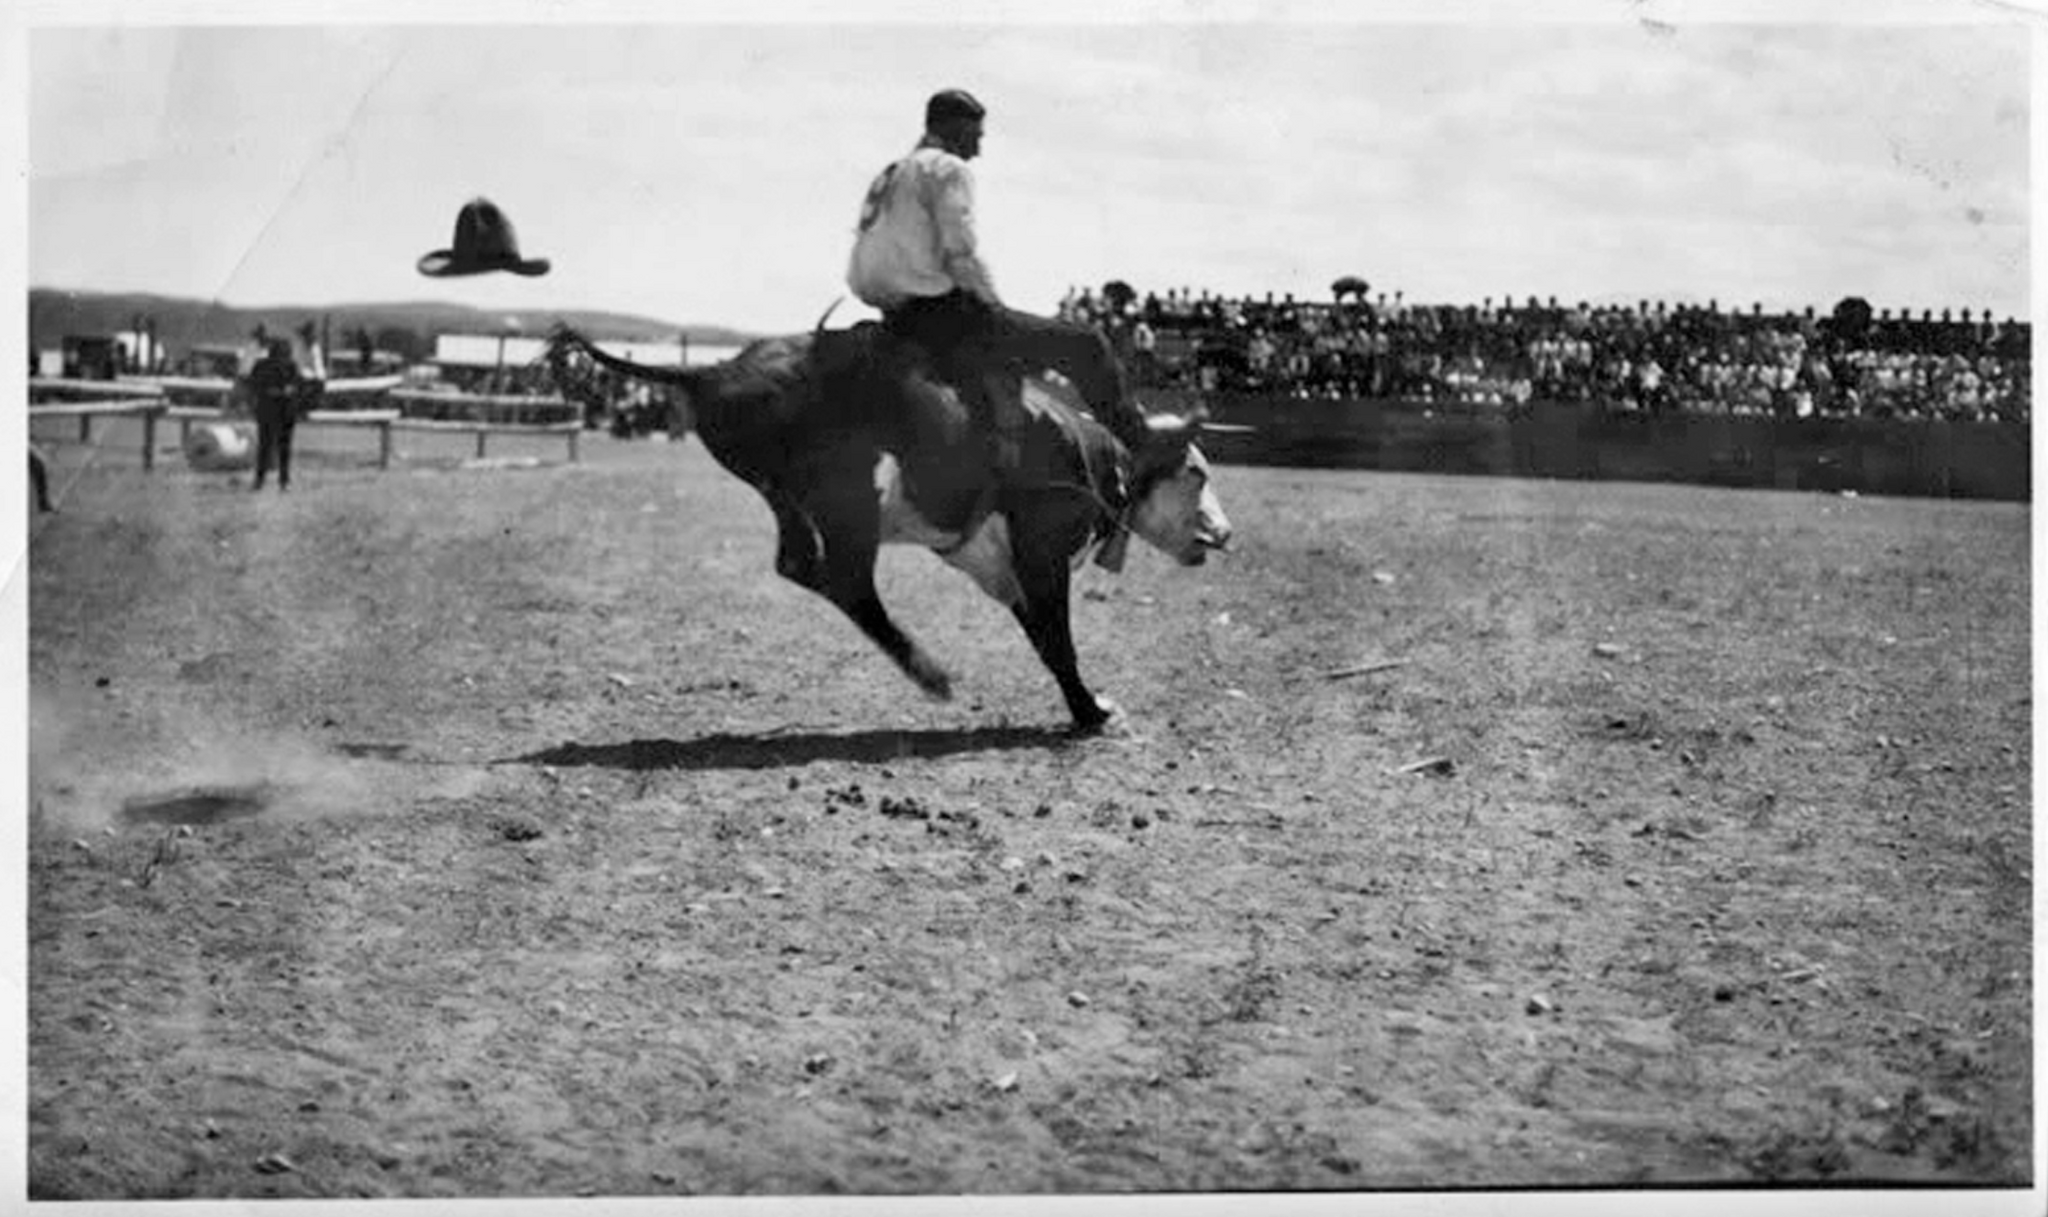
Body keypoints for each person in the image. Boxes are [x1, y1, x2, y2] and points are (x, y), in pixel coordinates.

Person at [846, 89, 1151, 484]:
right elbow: (961, 253)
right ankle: (1142, 450)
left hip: (890, 312)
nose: (979, 147)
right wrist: (996, 309)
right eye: (976, 135)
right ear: (953, 129)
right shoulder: (947, 168)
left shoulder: (892, 171)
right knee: (1087, 343)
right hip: (939, 312)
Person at [247, 338, 305, 492]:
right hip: (276, 410)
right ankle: (274, 481)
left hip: (278, 410)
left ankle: (270, 481)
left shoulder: (271, 365)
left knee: (271, 447)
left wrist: (288, 390)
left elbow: (298, 385)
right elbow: (254, 384)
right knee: (274, 447)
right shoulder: (281, 365)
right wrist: (276, 391)